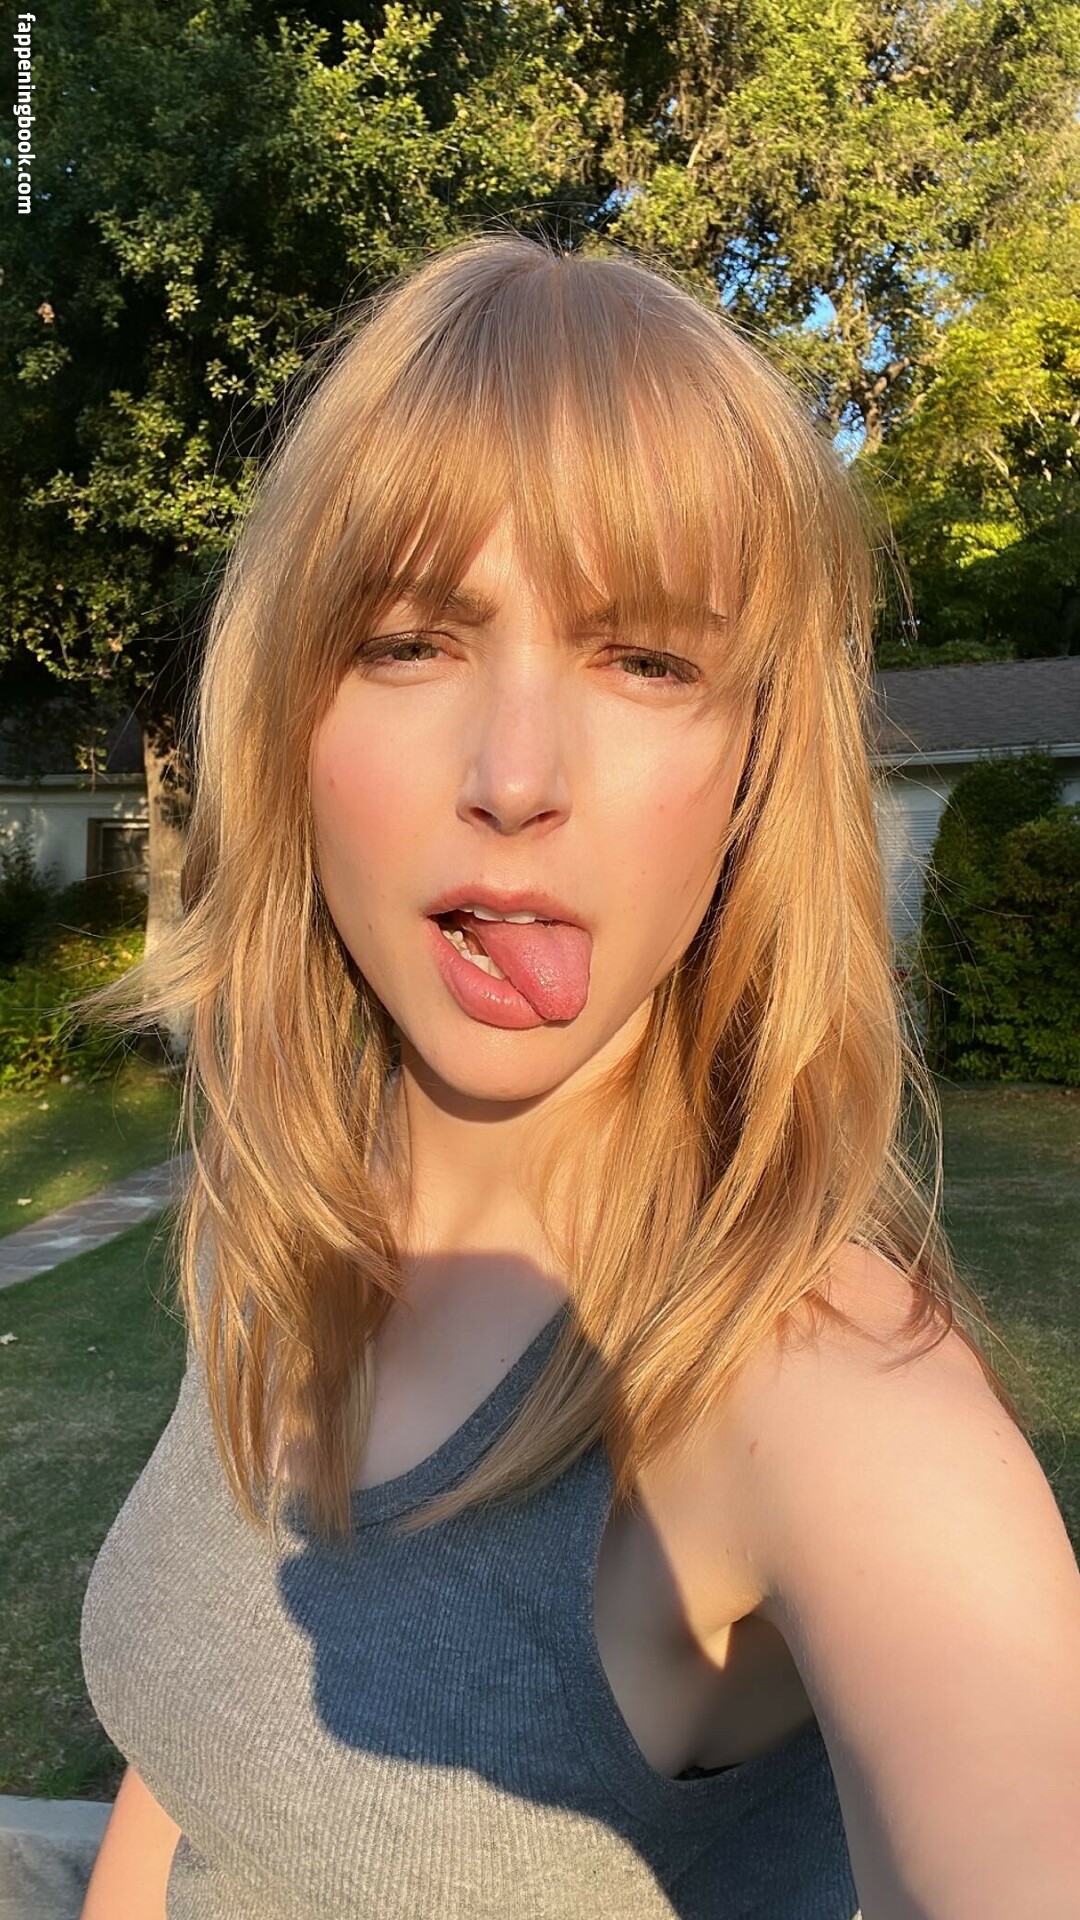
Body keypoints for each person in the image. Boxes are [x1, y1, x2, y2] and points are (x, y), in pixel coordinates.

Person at [77, 230, 1080, 1920]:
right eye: (409, 639)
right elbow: (188, 1770)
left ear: (754, 771)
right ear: (288, 722)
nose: (517, 773)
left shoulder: (829, 1400)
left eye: (649, 660)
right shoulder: (278, 1219)